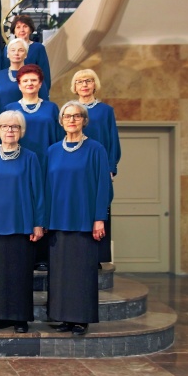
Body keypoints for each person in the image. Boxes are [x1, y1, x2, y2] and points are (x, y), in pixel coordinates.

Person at [46, 101, 110, 336]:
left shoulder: (96, 149)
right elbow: (46, 187)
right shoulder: (52, 151)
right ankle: (63, 316)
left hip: (84, 220)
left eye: (76, 116)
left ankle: (80, 318)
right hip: (57, 219)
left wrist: (99, 218)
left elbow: (103, 186)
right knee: (60, 272)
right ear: (61, 122)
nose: (71, 120)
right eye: (67, 116)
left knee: (81, 272)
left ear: (84, 120)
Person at [0, 110, 44, 333]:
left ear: (21, 132)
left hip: (21, 224)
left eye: (15, 127)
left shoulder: (30, 158)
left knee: (20, 274)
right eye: (5, 126)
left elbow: (38, 192)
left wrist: (38, 223)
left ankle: (20, 318)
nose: (10, 130)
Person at [71, 69, 120, 264]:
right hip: (76, 165)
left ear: (94, 84)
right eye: (80, 81)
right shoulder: (69, 110)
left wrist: (110, 167)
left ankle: (97, 257)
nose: (84, 85)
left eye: (88, 81)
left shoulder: (105, 111)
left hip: (99, 166)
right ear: (74, 87)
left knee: (99, 206)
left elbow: (113, 141)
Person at [4, 64, 62, 175]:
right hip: (18, 162)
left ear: (40, 84)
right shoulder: (10, 108)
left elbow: (59, 136)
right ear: (19, 85)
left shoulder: (52, 108)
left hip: (47, 161)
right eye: (25, 81)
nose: (29, 83)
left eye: (34, 80)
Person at [0, 38, 49, 116]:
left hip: (30, 118)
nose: (16, 53)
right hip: (5, 121)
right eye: (13, 50)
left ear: (26, 54)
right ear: (7, 54)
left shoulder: (34, 74)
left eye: (21, 50)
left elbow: (44, 100)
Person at [4, 15, 51, 93]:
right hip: (11, 89)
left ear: (30, 30)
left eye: (25, 26)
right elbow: (4, 70)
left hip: (33, 90)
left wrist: (44, 92)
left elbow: (45, 73)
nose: (22, 30)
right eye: (18, 27)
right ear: (14, 31)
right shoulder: (8, 48)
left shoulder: (38, 48)